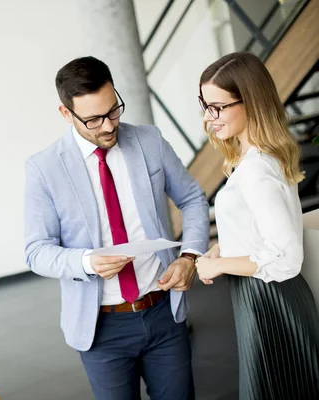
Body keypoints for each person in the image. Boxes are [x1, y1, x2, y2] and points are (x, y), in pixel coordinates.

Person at [24, 56, 209, 399]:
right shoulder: (44, 168)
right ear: (66, 113)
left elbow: (193, 199)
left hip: (163, 312)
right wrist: (86, 262)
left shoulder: (149, 140)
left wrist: (190, 256)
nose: (109, 126)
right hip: (100, 329)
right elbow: (36, 251)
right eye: (93, 119)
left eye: (113, 111)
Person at [195, 51, 319, 399]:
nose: (209, 116)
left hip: (270, 297)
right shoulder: (257, 158)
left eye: (218, 106)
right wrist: (222, 249)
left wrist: (217, 264)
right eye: (205, 104)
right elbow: (261, 230)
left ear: (249, 101)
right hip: (266, 295)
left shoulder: (256, 171)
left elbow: (285, 258)